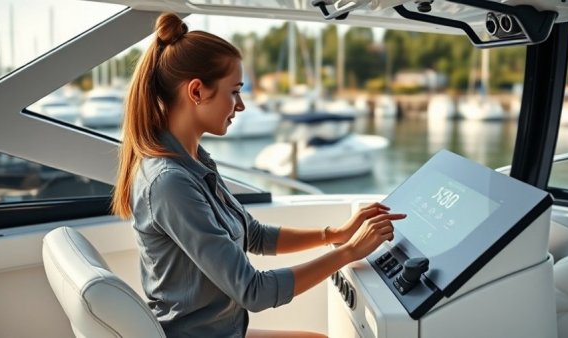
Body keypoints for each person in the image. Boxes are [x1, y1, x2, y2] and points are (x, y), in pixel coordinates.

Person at [112, 12, 406, 338]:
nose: (240, 106)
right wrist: (349, 252)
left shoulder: (195, 162)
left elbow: (253, 234)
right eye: (234, 91)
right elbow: (254, 292)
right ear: (196, 92)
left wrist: (334, 233)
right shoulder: (169, 183)